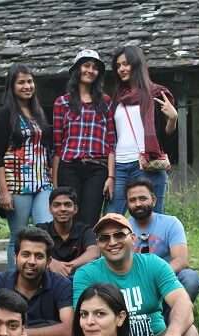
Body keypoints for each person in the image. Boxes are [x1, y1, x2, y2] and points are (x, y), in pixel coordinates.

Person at [0, 63, 53, 270]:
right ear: (12, 86)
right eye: (21, 82)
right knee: (18, 238)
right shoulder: (5, 114)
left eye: (29, 81)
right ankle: (13, 285)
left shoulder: (38, 113)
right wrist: (4, 192)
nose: (27, 86)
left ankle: (41, 279)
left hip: (42, 182)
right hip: (17, 185)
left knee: (45, 231)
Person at [107, 45, 177, 216]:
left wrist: (173, 118)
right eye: (118, 66)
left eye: (126, 64)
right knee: (112, 219)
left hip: (147, 164)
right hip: (120, 166)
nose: (122, 69)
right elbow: (111, 135)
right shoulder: (116, 98)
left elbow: (166, 136)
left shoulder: (156, 93)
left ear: (137, 64)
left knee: (153, 219)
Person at [53, 49, 116, 227]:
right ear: (77, 70)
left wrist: (111, 177)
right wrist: (56, 183)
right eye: (86, 65)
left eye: (95, 68)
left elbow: (111, 143)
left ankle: (89, 255)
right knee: (68, 219)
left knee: (90, 219)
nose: (90, 70)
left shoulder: (106, 102)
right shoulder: (62, 102)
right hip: (69, 167)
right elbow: (58, 146)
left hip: (97, 168)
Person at [126, 179, 199, 312]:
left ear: (154, 200)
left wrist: (155, 277)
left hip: (167, 277)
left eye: (143, 198)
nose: (137, 204)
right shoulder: (122, 228)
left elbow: (181, 260)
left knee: (190, 278)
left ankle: (174, 321)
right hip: (134, 283)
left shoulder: (171, 223)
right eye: (132, 200)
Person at [36, 186, 100, 278]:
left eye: (67, 204)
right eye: (57, 205)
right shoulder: (42, 230)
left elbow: (94, 252)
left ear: (75, 209)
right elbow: (33, 251)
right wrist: (51, 262)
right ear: (50, 209)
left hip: (78, 279)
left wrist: (69, 266)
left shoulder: (84, 230)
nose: (62, 209)